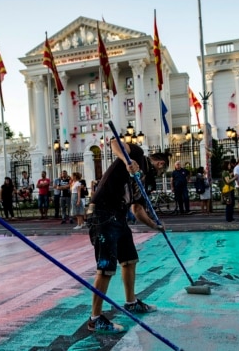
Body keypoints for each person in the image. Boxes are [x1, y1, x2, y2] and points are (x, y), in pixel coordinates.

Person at [85, 140, 168, 334]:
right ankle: (94, 319)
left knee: (130, 260)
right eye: (162, 171)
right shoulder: (137, 154)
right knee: (106, 267)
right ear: (160, 164)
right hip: (102, 212)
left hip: (119, 216)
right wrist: (127, 160)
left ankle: (131, 302)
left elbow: (137, 209)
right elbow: (115, 142)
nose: (160, 174)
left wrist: (155, 226)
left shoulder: (145, 180)